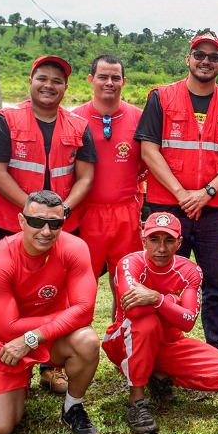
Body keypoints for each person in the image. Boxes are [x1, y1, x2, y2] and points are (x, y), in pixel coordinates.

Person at [0, 54, 97, 395]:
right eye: (42, 79)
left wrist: (57, 215)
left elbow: (86, 177)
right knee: (10, 297)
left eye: (57, 81)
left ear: (66, 87)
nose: (49, 86)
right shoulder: (5, 119)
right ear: (31, 80)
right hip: (10, 223)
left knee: (56, 299)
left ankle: (50, 367)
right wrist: (34, 216)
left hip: (58, 225)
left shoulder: (78, 125)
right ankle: (8, 357)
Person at [135, 31, 218, 356]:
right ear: (188, 59)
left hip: (214, 210)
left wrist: (206, 192)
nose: (205, 61)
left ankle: (217, 349)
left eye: (213, 57)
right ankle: (163, 352)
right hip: (166, 208)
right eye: (199, 55)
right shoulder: (161, 97)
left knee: (217, 282)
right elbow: (149, 150)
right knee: (164, 278)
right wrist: (182, 192)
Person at [0, 190, 101, 434]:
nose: (46, 232)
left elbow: (86, 310)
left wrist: (34, 337)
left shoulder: (75, 248)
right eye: (37, 222)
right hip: (8, 342)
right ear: (21, 221)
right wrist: (69, 314)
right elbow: (7, 327)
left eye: (55, 224)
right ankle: (18, 381)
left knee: (87, 340)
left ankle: (72, 407)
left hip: (48, 337)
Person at [102, 211, 218, 434]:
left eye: (169, 240)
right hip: (125, 340)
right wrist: (173, 302)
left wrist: (157, 298)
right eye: (154, 239)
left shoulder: (190, 270)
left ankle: (157, 374)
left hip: (169, 342)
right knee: (147, 323)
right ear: (143, 240)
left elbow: (187, 321)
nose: (162, 248)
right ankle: (137, 400)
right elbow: (134, 310)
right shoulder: (129, 263)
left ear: (179, 243)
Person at [71, 54, 144, 293]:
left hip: (126, 212)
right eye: (103, 77)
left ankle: (123, 330)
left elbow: (148, 162)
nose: (109, 82)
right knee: (81, 282)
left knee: (126, 284)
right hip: (86, 212)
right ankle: (79, 330)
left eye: (115, 77)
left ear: (124, 81)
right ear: (91, 79)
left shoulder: (139, 118)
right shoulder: (73, 118)